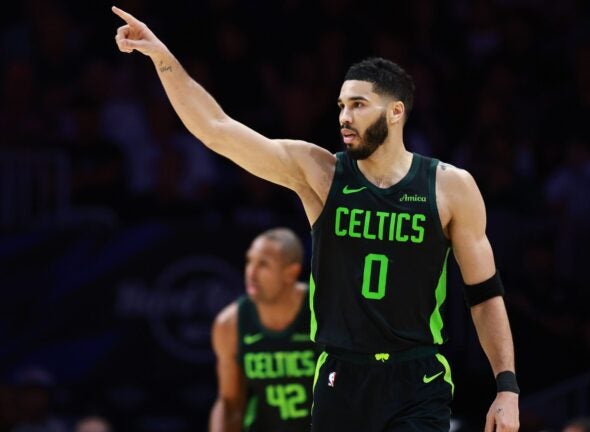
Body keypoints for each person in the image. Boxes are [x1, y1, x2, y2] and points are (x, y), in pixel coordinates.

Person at [112, 7, 520, 431]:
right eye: (342, 105)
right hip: (340, 375)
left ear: (395, 112)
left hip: (416, 376)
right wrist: (161, 56)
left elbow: (485, 294)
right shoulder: (322, 174)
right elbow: (216, 128)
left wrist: (506, 386)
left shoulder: (450, 187)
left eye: (359, 105)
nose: (344, 117)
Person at [210, 228, 317, 432]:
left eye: (263, 265)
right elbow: (230, 404)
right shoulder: (229, 324)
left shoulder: (323, 311)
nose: (251, 273)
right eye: (250, 261)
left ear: (291, 273)